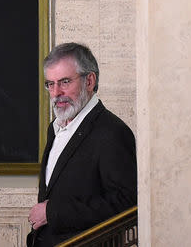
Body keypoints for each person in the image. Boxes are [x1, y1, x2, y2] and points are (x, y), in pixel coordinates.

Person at [27, 43, 137, 246]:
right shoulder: (56, 127)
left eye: (65, 82)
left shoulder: (113, 132)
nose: (56, 92)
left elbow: (127, 204)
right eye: (50, 84)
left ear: (89, 80)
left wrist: (52, 213)